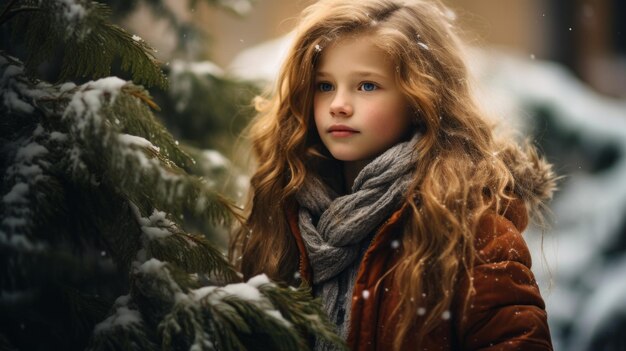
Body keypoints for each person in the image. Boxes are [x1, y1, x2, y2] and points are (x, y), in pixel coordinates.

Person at [230, 0, 557, 349]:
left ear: (421, 98)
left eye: (367, 86)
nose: (339, 104)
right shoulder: (284, 205)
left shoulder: (472, 228)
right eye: (325, 86)